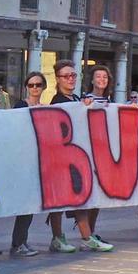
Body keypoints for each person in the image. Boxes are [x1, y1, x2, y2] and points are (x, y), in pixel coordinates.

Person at [46, 60, 114, 252]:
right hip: (61, 157)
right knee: (60, 199)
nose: (71, 79)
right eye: (66, 76)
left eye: (73, 75)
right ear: (58, 79)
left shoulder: (76, 99)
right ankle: (63, 237)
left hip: (75, 156)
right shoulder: (57, 101)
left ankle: (83, 236)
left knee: (77, 197)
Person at [8, 73, 47, 257]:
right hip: (22, 161)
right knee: (25, 204)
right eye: (31, 85)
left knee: (31, 205)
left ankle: (22, 241)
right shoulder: (20, 106)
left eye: (38, 85)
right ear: (26, 87)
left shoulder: (47, 108)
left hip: (38, 162)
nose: (35, 88)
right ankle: (17, 243)